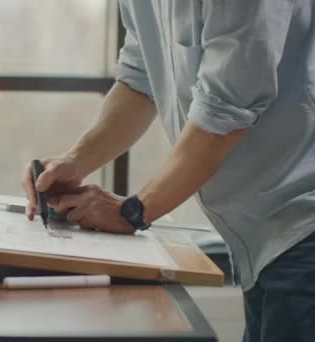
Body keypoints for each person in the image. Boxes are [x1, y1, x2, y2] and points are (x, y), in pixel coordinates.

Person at [21, 1, 315, 341]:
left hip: (303, 225)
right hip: (262, 239)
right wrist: (75, 161)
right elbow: (139, 77)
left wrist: (132, 210)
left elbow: (225, 113)